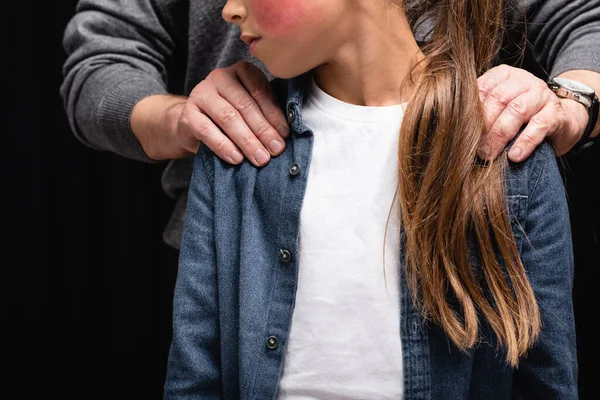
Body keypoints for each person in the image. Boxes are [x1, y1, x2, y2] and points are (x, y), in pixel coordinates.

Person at [163, 0, 577, 398]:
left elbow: (547, 381)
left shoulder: (511, 152)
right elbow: (193, 378)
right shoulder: (231, 146)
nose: (228, 10)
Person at [60, 0, 600, 251]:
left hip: (462, 215)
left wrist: (571, 101)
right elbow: (101, 60)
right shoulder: (223, 200)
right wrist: (184, 119)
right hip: (239, 217)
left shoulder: (516, 174)